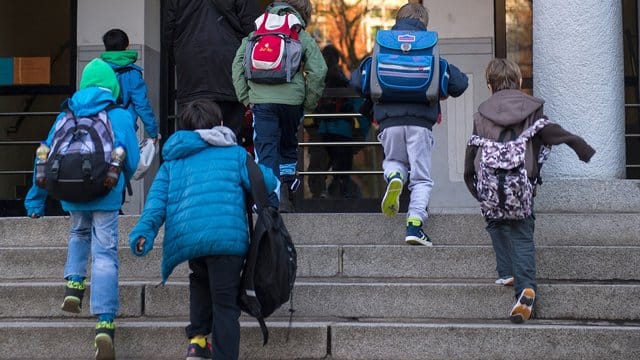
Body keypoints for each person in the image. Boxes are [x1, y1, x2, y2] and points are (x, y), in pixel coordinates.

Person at [128, 99, 277, 360]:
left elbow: (156, 203)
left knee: (199, 278)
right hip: (228, 241)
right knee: (225, 306)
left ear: (186, 129)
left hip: (191, 239)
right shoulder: (235, 154)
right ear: (220, 124)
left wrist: (144, 231)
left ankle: (197, 341)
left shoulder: (174, 161)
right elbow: (265, 181)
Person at [463, 58, 596, 323]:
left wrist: (473, 185)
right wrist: (579, 146)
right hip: (521, 185)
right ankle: (525, 287)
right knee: (522, 233)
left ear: (489, 85)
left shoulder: (481, 115)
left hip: (490, 187)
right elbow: (551, 133)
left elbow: (472, 153)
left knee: (495, 223)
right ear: (519, 81)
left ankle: (506, 271)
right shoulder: (532, 111)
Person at [24, 58, 140, 360]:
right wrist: (117, 177)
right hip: (105, 193)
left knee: (78, 232)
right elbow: (132, 160)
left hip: (71, 192)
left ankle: (74, 286)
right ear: (112, 86)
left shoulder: (67, 112)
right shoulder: (119, 115)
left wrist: (35, 200)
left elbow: (45, 156)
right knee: (105, 254)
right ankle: (104, 322)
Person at [375, 3, 468, 245]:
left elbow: (357, 81)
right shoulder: (430, 51)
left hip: (388, 123)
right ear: (424, 23)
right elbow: (460, 84)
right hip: (420, 124)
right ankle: (414, 226)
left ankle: (395, 175)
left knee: (394, 160)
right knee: (422, 179)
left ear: (398, 21)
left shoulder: (381, 49)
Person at [232, 0, 327, 212]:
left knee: (265, 150)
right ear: (303, 13)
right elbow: (319, 70)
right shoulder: (298, 33)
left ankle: (269, 203)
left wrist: (246, 98)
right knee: (287, 144)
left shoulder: (258, 30)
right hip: (292, 102)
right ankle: (286, 182)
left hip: (262, 102)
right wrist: (308, 103)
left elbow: (237, 64)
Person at [165, 0, 260, 137]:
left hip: (190, 72)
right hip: (229, 71)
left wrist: (180, 59)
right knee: (229, 136)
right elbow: (253, 29)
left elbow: (169, 32)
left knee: (191, 137)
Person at [308, 44, 364, 199]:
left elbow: (311, 107)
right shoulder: (344, 81)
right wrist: (359, 135)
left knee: (320, 172)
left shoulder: (320, 80)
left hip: (324, 132)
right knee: (341, 172)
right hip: (342, 132)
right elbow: (357, 107)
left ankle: (321, 197)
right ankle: (341, 197)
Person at [100, 28, 159, 143]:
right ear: (127, 47)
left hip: (100, 128)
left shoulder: (99, 69)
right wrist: (153, 132)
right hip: (124, 129)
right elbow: (142, 105)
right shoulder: (132, 73)